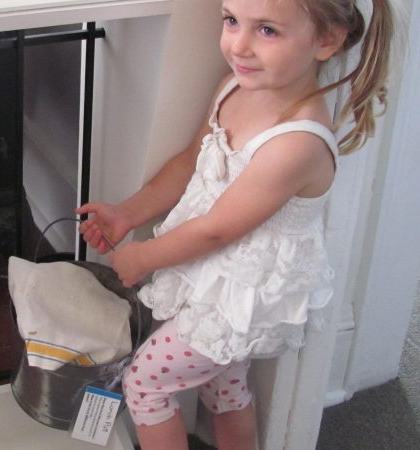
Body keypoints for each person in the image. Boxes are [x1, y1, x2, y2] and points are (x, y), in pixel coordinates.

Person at [76, 0, 395, 449]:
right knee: (224, 386)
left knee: (147, 384)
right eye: (231, 21)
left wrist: (140, 258)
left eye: (266, 30)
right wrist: (128, 213)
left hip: (244, 297)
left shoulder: (297, 142)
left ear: (327, 40)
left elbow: (217, 229)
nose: (238, 45)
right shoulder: (232, 90)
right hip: (213, 275)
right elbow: (191, 163)